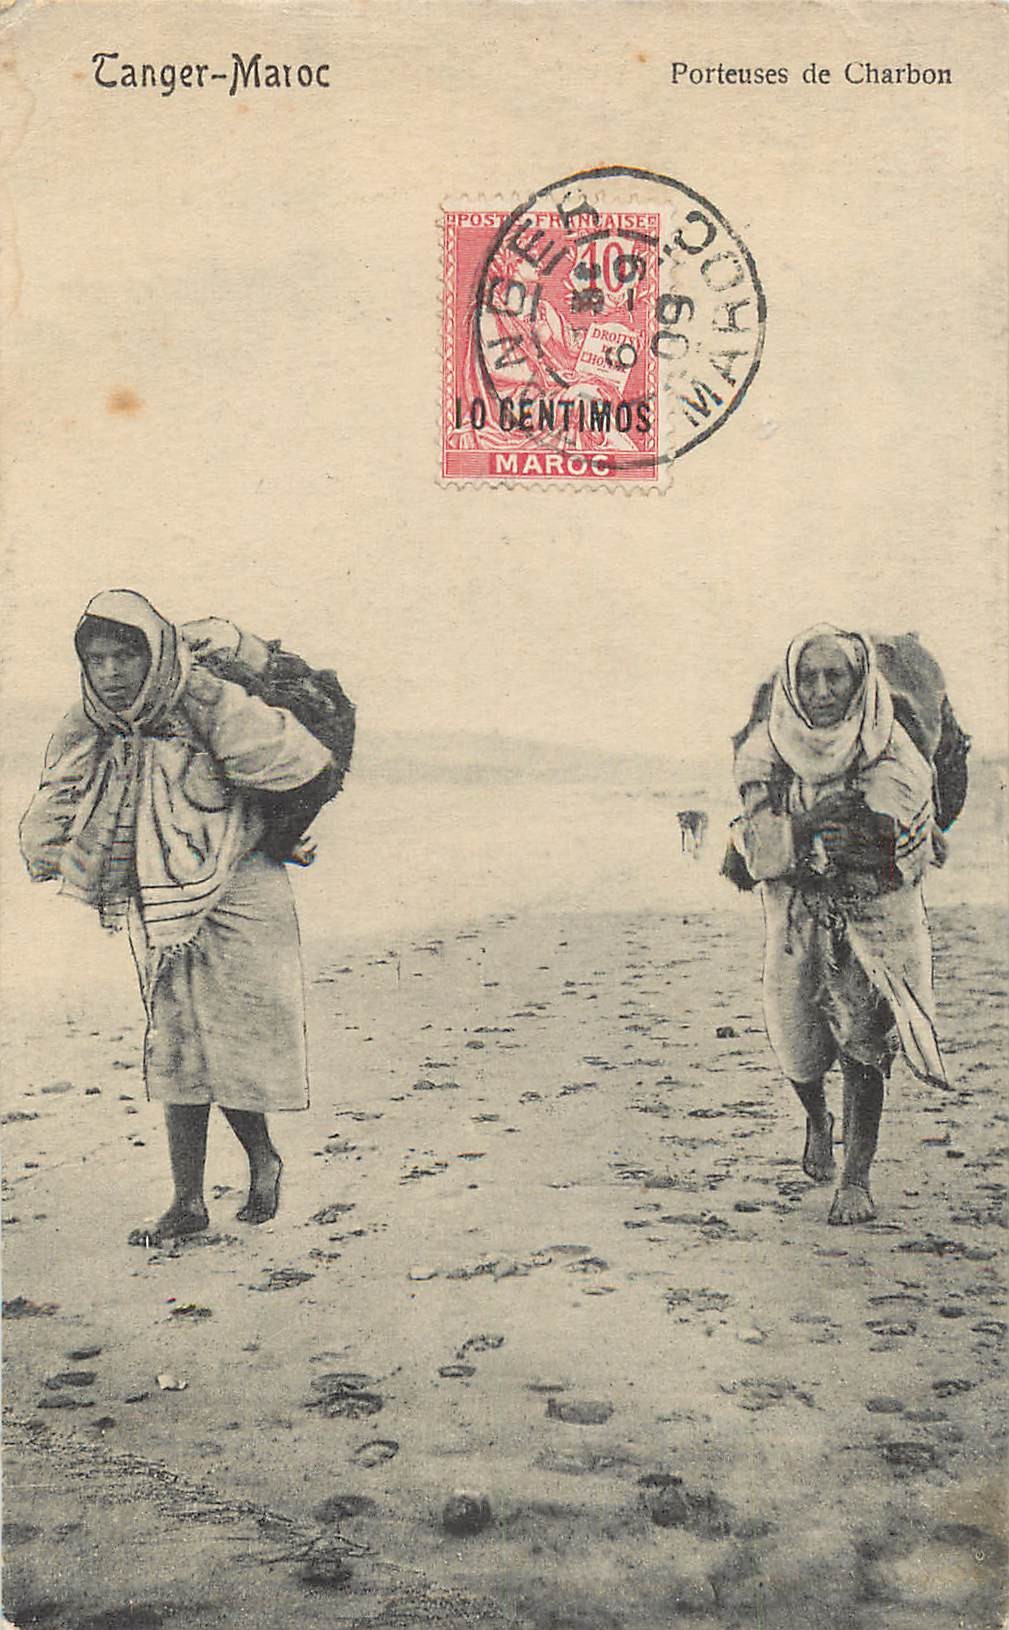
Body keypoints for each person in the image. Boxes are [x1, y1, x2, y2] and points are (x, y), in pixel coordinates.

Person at [19, 589, 334, 1245]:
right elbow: (59, 791)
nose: (110, 672)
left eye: (124, 655)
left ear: (152, 651)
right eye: (96, 658)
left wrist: (280, 833)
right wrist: (48, 853)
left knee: (237, 1037)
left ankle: (262, 1158)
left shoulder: (206, 698)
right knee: (176, 1040)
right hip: (156, 896)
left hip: (241, 889)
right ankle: (186, 1202)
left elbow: (304, 766)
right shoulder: (91, 719)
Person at [728, 624, 947, 1225]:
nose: (822, 690)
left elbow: (898, 833)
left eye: (836, 676)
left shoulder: (890, 745)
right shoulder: (762, 752)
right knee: (796, 1040)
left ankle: (857, 1179)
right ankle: (817, 1118)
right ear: (790, 685)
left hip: (877, 916)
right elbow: (757, 847)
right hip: (797, 917)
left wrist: (862, 838)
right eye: (808, 677)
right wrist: (810, 824)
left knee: (866, 1043)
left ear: (859, 681)